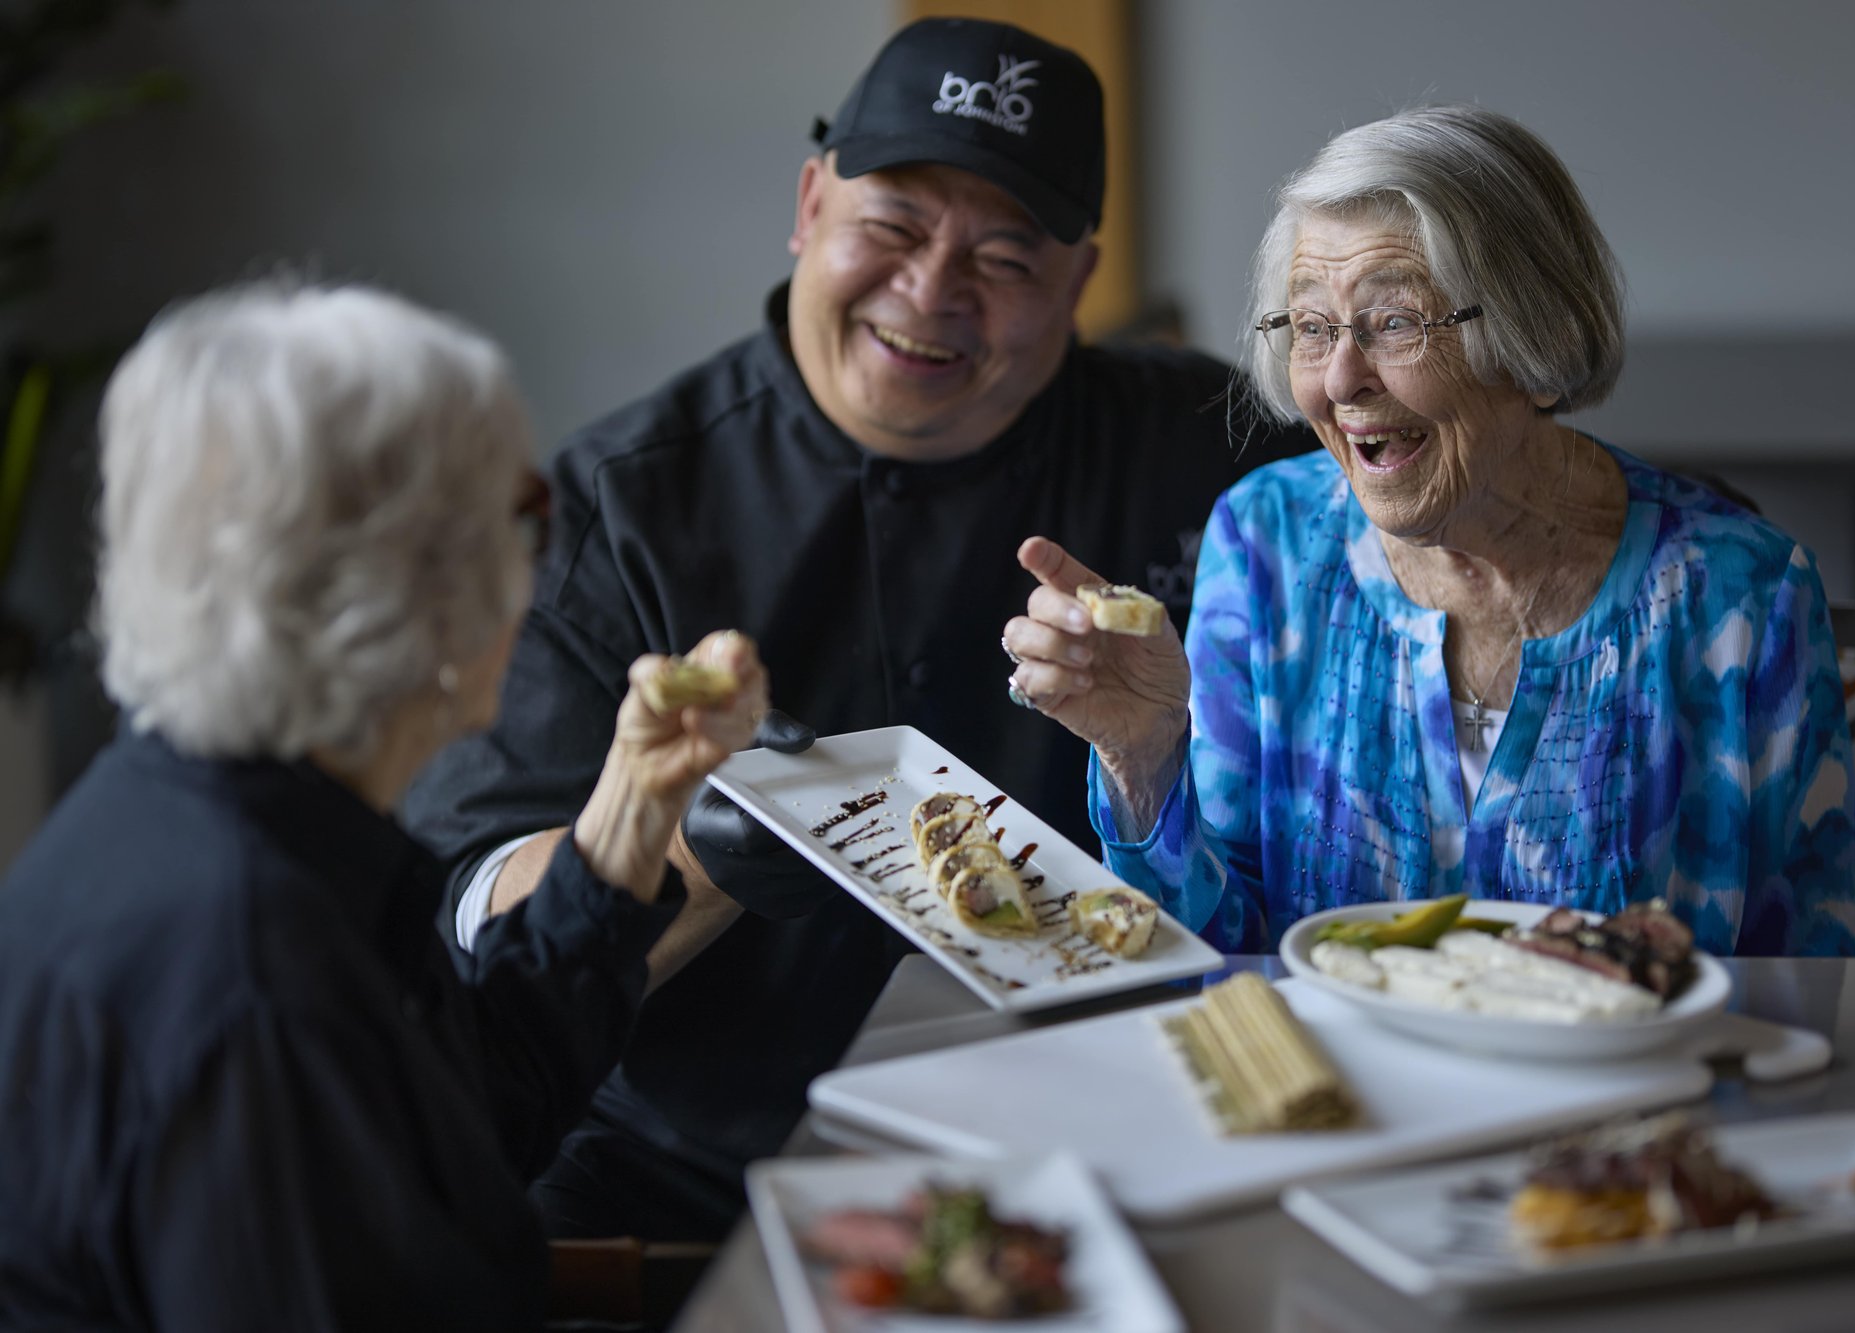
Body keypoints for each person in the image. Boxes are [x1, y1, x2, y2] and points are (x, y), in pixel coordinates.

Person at [402, 16, 1311, 1242]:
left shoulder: (1218, 450)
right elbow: (470, 927)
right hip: (691, 1177)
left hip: (1115, 1139)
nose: (932, 295)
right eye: (889, 228)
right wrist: (707, 851)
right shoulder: (614, 507)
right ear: (808, 205)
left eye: (1005, 258)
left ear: (1078, 281)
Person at [0, 282, 769, 1331]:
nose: (536, 569)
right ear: (411, 592)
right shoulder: (252, 976)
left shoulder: (218, 814)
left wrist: (636, 802)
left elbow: (468, 1110)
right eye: (528, 516)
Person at [1002, 104, 1855, 958]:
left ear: (1539, 334)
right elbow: (1218, 958)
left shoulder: (1741, 598)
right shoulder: (1266, 542)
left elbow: (1823, 985)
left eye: (1396, 321)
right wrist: (1146, 754)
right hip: (1342, 1106)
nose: (1342, 379)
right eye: (1312, 326)